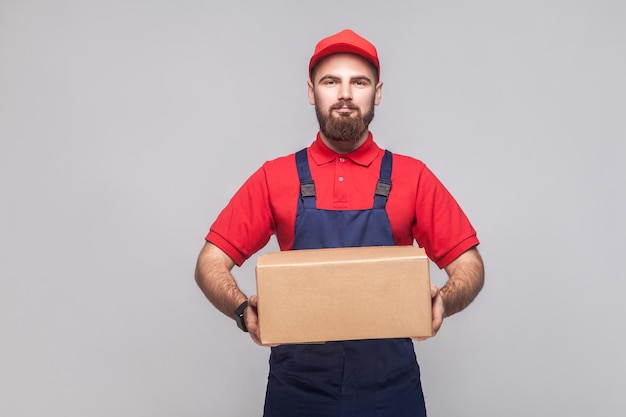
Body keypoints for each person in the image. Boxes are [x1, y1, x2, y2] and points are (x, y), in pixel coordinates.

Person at [195, 29, 485, 417]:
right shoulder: (274, 177)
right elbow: (209, 262)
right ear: (312, 91)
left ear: (377, 93)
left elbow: (470, 265)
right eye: (331, 81)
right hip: (296, 392)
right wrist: (240, 309)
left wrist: (443, 301)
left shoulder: (413, 177)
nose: (345, 93)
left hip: (391, 392)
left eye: (358, 82)